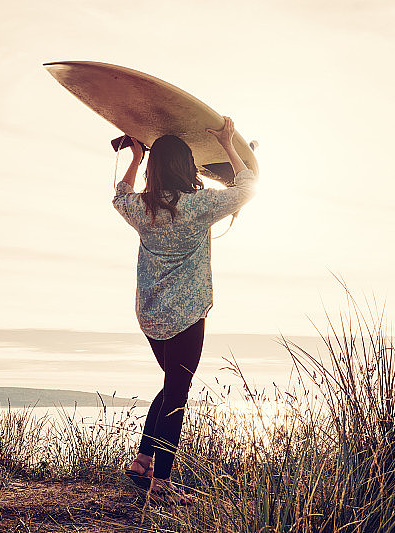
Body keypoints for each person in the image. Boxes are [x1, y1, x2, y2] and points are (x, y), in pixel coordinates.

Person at [112, 116, 257, 506]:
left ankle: (142, 463)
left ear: (156, 168)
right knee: (178, 392)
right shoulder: (199, 205)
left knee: (172, 383)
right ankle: (161, 485)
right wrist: (227, 143)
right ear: (187, 166)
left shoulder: (140, 209)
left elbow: (119, 195)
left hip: (150, 315)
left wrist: (136, 158)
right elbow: (247, 187)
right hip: (187, 314)